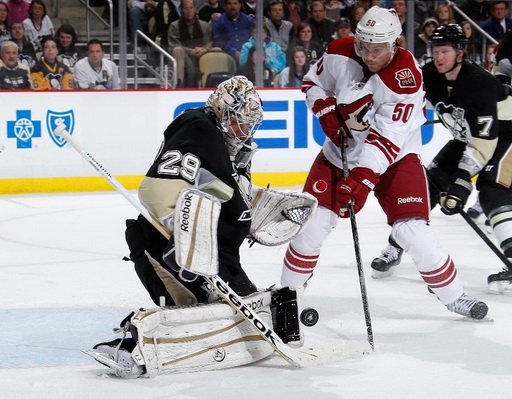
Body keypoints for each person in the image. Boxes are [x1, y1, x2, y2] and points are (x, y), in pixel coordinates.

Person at [85, 76, 315, 377]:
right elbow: (163, 193)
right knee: (200, 306)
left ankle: (237, 314)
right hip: (162, 243)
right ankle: (134, 348)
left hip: (201, 244)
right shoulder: (200, 127)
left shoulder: (216, 137)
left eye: (249, 124)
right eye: (239, 122)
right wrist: (221, 221)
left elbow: (222, 192)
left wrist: (247, 198)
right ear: (222, 110)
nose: (244, 130)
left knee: (239, 298)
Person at [280, 7, 489, 320]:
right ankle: (286, 295)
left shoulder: (406, 79)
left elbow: (386, 140)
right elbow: (314, 83)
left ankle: (453, 295)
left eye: (377, 49)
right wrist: (324, 110)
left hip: (396, 158)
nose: (368, 54)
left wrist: (362, 181)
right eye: (363, 46)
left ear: (395, 43)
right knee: (313, 226)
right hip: (339, 154)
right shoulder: (340, 50)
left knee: (412, 232)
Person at [371, 24, 512, 292]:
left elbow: (484, 141)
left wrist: (460, 182)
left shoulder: (478, 82)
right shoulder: (431, 76)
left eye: (445, 51)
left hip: (506, 135)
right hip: (468, 138)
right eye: (435, 51)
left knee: (492, 190)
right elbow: (403, 95)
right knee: (425, 188)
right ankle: (395, 246)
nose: (438, 57)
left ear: (460, 53)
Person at [167, 0, 212, 88]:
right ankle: (179, 82)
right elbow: (174, 45)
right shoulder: (174, 26)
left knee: (216, 50)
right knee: (177, 50)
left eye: (191, 8)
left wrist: (204, 49)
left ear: (195, 9)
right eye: (185, 8)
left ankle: (210, 85)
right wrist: (191, 51)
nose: (189, 11)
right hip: (184, 58)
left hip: (201, 57)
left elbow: (210, 42)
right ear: (181, 10)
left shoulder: (205, 25)